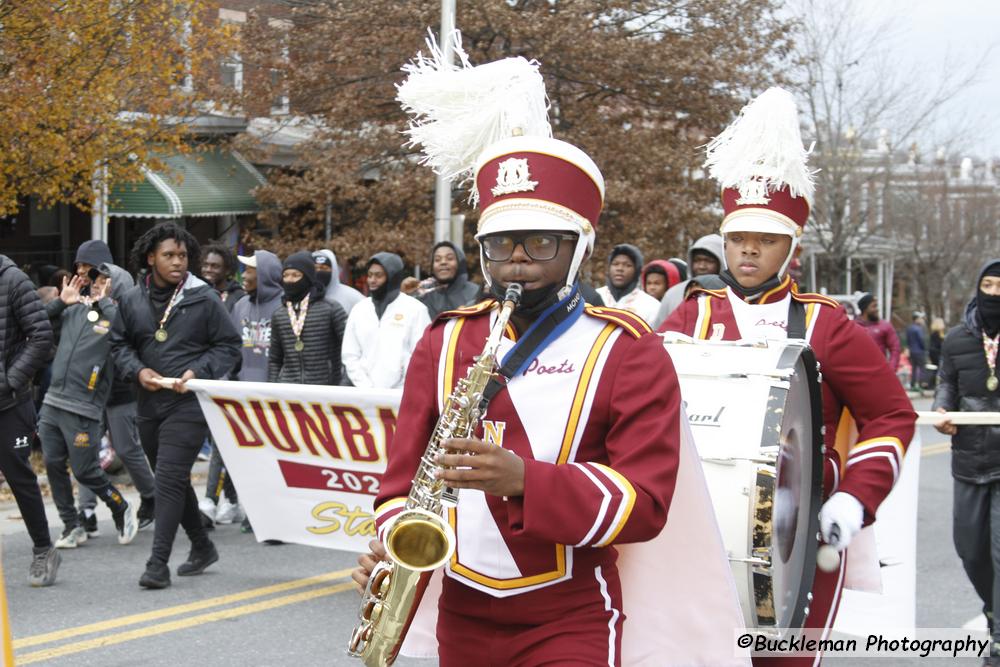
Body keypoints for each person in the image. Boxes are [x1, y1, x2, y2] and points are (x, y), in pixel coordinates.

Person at [354, 132, 681, 666]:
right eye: (501, 244)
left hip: (571, 615)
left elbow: (646, 504)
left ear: (579, 250)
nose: (518, 261)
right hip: (461, 612)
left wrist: (524, 480)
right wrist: (396, 549)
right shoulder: (443, 339)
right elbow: (400, 484)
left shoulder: (627, 349)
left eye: (541, 243)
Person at [659, 87, 915, 665]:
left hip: (797, 522)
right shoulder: (690, 315)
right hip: (697, 517)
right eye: (738, 239)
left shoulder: (827, 324)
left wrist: (855, 497)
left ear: (790, 247)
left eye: (765, 240)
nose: (748, 252)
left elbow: (891, 416)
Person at [110, 222, 241, 589]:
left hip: (189, 403)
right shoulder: (133, 300)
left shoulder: (204, 297)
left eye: (183, 255)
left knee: (166, 478)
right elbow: (119, 346)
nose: (178, 262)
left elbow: (229, 346)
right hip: (149, 402)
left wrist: (197, 370)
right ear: (151, 258)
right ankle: (202, 546)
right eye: (169, 255)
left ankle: (157, 565)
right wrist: (138, 372)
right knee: (174, 480)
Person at [40, 267, 139, 548]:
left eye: (103, 282)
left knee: (85, 472)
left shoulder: (116, 318)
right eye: (94, 282)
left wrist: (106, 301)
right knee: (52, 464)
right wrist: (62, 302)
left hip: (84, 406)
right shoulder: (75, 311)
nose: (96, 286)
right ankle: (72, 525)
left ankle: (120, 507)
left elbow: (127, 331)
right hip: (53, 400)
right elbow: (37, 323)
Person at [933, 259, 1000, 662]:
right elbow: (946, 384)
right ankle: (991, 609)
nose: (993, 294)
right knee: (971, 549)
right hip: (970, 459)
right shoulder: (957, 339)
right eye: (987, 285)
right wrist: (942, 411)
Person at [199, 250, 284, 528]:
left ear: (267, 275)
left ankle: (262, 511)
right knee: (225, 445)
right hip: (239, 390)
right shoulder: (241, 306)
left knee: (265, 456)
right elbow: (233, 348)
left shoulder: (283, 307)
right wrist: (225, 380)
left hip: (270, 395)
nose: (244, 276)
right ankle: (210, 501)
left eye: (250, 271)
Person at [0, 253, 58, 586]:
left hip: (10, 403)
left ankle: (43, 550)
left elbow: (41, 338)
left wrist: (11, 379)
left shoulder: (13, 280)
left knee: (20, 478)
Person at [341, 252, 430, 389]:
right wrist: (366, 387)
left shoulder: (416, 310)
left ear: (392, 277)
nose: (372, 280)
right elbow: (350, 355)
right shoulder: (359, 309)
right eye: (370, 275)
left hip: (402, 394)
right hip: (363, 394)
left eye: (378, 275)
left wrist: (402, 388)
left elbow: (421, 356)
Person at [268, 251, 348, 385]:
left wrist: (343, 385)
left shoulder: (331, 309)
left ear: (308, 277)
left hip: (325, 389)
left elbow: (349, 351)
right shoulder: (279, 314)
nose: (289, 280)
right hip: (288, 390)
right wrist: (273, 387)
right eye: (285, 275)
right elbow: (274, 359)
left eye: (295, 275)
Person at [650, 233, 724, 328]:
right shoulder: (673, 294)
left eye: (708, 261)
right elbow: (658, 332)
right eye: (697, 260)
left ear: (721, 262)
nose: (701, 266)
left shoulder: (733, 294)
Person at [594, 244, 660, 323]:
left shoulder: (651, 306)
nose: (620, 269)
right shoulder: (593, 297)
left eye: (627, 265)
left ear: (637, 271)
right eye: (615, 264)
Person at [418, 241, 481, 318]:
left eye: (450, 258)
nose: (443, 262)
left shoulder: (475, 293)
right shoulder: (422, 295)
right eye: (437, 259)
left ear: (460, 263)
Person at [854, 293, 901, 373]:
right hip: (858, 372)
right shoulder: (852, 326)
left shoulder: (885, 326)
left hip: (879, 372)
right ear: (865, 309)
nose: (877, 309)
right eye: (874, 306)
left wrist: (891, 369)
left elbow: (895, 348)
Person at [313, 248, 364, 315]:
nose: (319, 271)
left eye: (324, 268)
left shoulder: (353, 297)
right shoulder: (303, 296)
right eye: (315, 268)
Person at [200, 243, 246, 313]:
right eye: (205, 265)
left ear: (227, 270)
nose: (208, 270)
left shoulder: (238, 296)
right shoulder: (197, 292)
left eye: (215, 266)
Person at [906, 312, 928, 390]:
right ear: (917, 319)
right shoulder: (918, 329)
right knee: (922, 367)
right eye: (921, 319)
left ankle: (913, 384)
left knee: (914, 368)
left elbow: (908, 341)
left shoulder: (909, 328)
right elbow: (921, 340)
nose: (922, 320)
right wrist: (925, 348)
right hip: (919, 351)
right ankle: (922, 383)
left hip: (912, 351)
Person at [928, 316, 946, 390]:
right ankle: (931, 384)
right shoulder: (938, 334)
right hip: (936, 353)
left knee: (935, 369)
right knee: (937, 369)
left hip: (933, 353)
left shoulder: (934, 333)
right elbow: (940, 344)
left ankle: (931, 384)